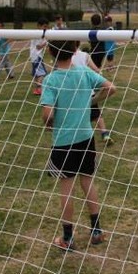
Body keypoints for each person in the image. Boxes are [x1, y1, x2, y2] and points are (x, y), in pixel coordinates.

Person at [41, 40, 116, 252]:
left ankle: (67, 237)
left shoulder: (50, 80)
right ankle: (97, 231)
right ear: (75, 50)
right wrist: (92, 101)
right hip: (86, 138)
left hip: (64, 141)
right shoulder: (84, 72)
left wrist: (48, 123)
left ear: (50, 52)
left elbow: (47, 114)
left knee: (67, 188)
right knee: (88, 182)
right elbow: (111, 88)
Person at [70, 44, 113, 145]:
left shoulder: (66, 56)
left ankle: (78, 135)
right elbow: (95, 69)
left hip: (73, 90)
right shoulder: (85, 55)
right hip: (87, 90)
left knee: (77, 113)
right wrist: (99, 74)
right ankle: (104, 133)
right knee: (96, 113)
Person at [29, 18, 49, 95]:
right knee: (41, 73)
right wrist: (47, 42)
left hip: (34, 56)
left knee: (37, 73)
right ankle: (39, 88)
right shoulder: (37, 34)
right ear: (38, 26)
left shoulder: (41, 34)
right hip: (36, 56)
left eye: (47, 27)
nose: (46, 28)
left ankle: (37, 89)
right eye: (44, 26)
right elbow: (38, 46)